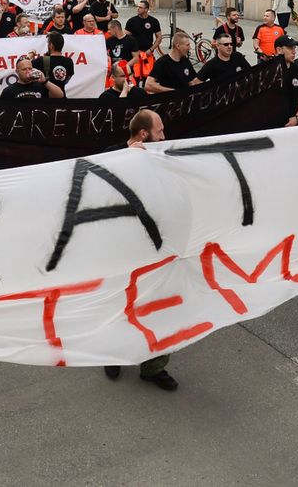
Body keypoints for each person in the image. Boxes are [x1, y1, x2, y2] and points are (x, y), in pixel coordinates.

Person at [102, 110, 179, 390]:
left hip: (154, 246)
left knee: (158, 305)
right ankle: (114, 355)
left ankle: (154, 366)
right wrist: (127, 160)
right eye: (159, 131)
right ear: (143, 134)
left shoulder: (163, 156)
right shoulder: (111, 155)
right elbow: (98, 190)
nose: (164, 136)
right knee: (120, 304)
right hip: (121, 248)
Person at [38, 32, 75, 97]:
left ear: (51, 45)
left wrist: (31, 53)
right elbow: (67, 79)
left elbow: (23, 64)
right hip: (62, 99)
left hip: (46, 100)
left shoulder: (41, 60)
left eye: (48, 43)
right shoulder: (69, 61)